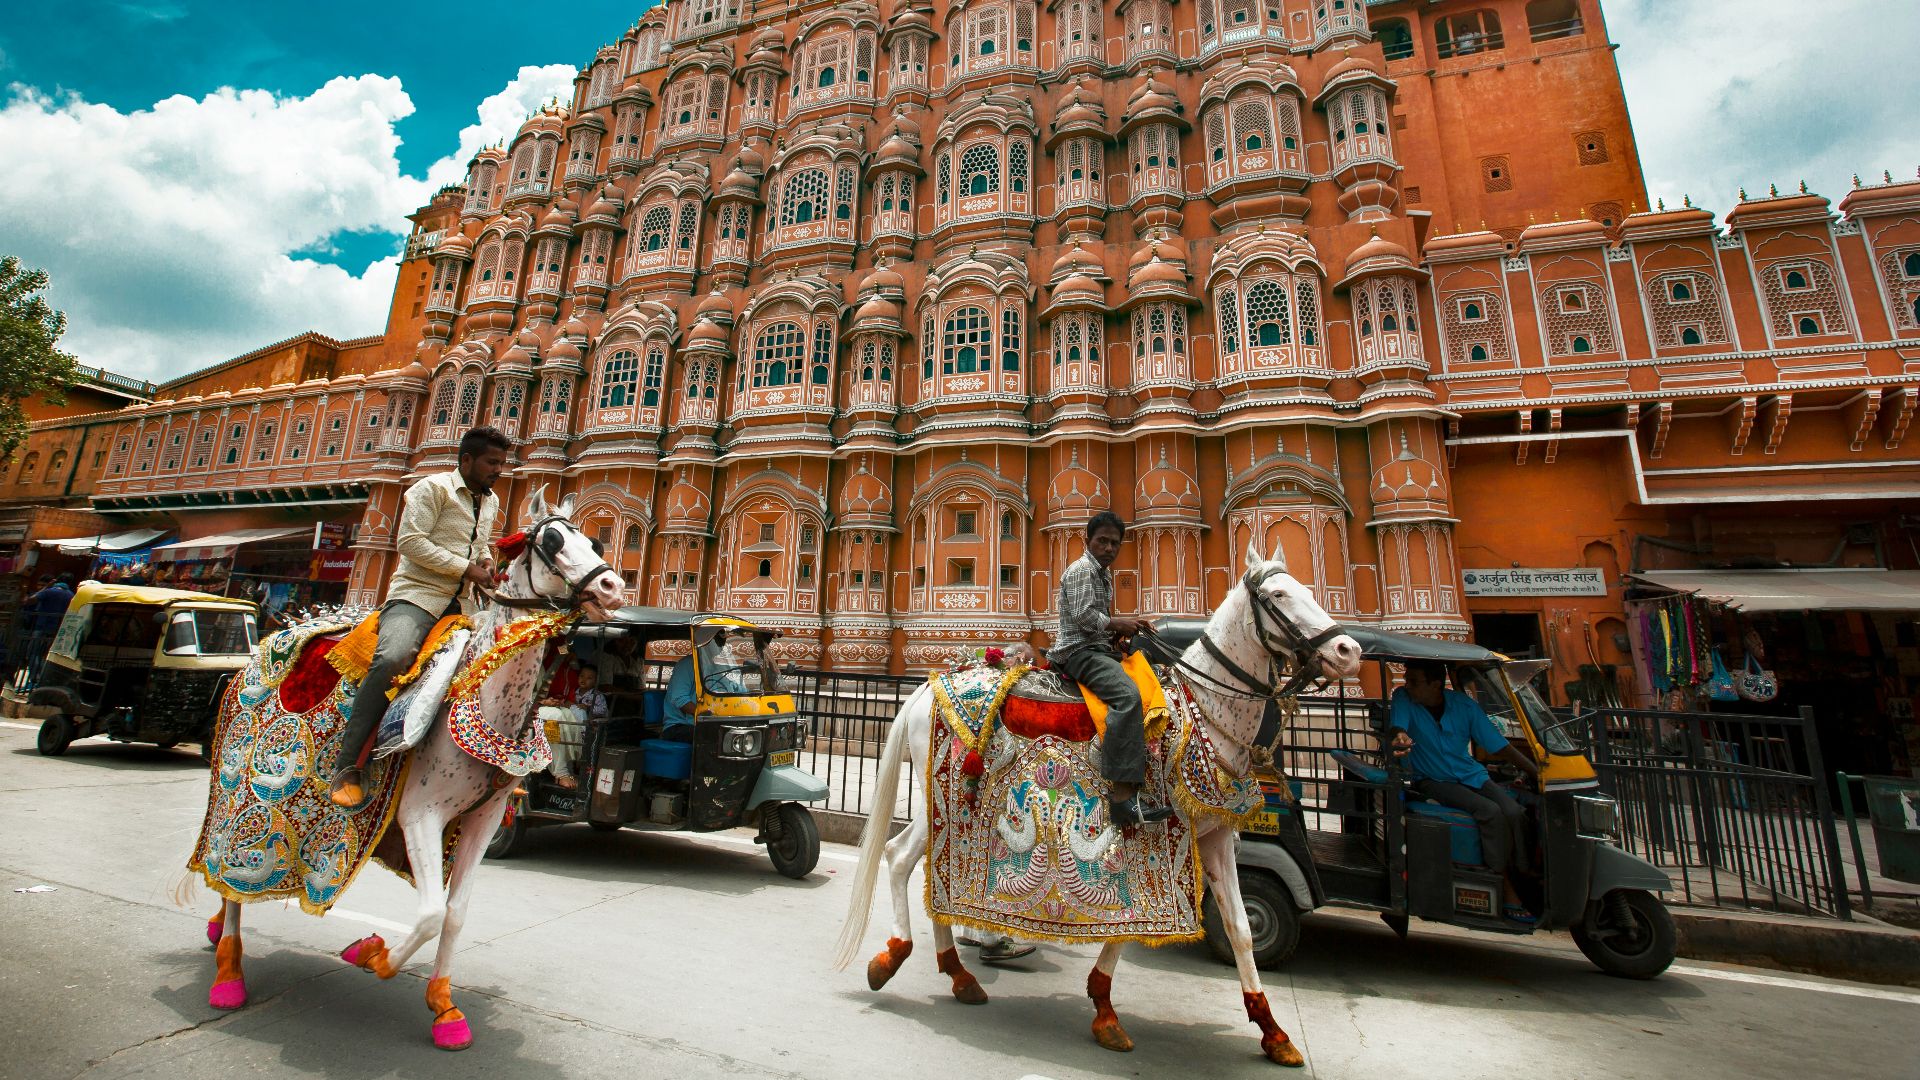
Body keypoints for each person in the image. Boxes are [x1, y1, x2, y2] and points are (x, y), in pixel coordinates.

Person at [329, 426, 508, 808]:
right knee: (393, 657)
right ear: (466, 460)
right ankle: (347, 765)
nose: (498, 470)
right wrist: (466, 568)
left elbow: (479, 547)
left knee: (496, 667)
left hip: (463, 605)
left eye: (502, 463)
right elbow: (409, 542)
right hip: (417, 597)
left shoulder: (490, 501)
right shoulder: (432, 489)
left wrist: (487, 562)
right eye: (492, 462)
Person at [1384, 660, 1542, 920]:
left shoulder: (1464, 705)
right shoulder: (1404, 697)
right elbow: (1398, 727)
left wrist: (1536, 771)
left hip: (1471, 774)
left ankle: (1523, 872)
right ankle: (1503, 883)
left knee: (1514, 812)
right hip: (1433, 779)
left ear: (1436, 684)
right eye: (1407, 680)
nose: (1407, 686)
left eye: (1414, 681)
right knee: (1489, 812)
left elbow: (1497, 745)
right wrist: (1399, 737)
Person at [1050, 511, 1169, 827]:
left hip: (1097, 649)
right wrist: (1120, 623)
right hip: (1078, 653)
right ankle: (1121, 799)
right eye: (1102, 540)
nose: (1109, 547)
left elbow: (1098, 624)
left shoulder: (1102, 574)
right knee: (1128, 696)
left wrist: (1121, 631)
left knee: (1153, 682)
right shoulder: (1081, 571)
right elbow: (1084, 618)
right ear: (1088, 540)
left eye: (1114, 543)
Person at [540, 663, 608, 789]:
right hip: (533, 706)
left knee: (569, 715)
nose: (584, 680)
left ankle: (569, 767)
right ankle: (560, 773)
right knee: (556, 718)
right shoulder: (574, 691)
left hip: (546, 705)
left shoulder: (596, 695)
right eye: (582, 676)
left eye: (589, 678)